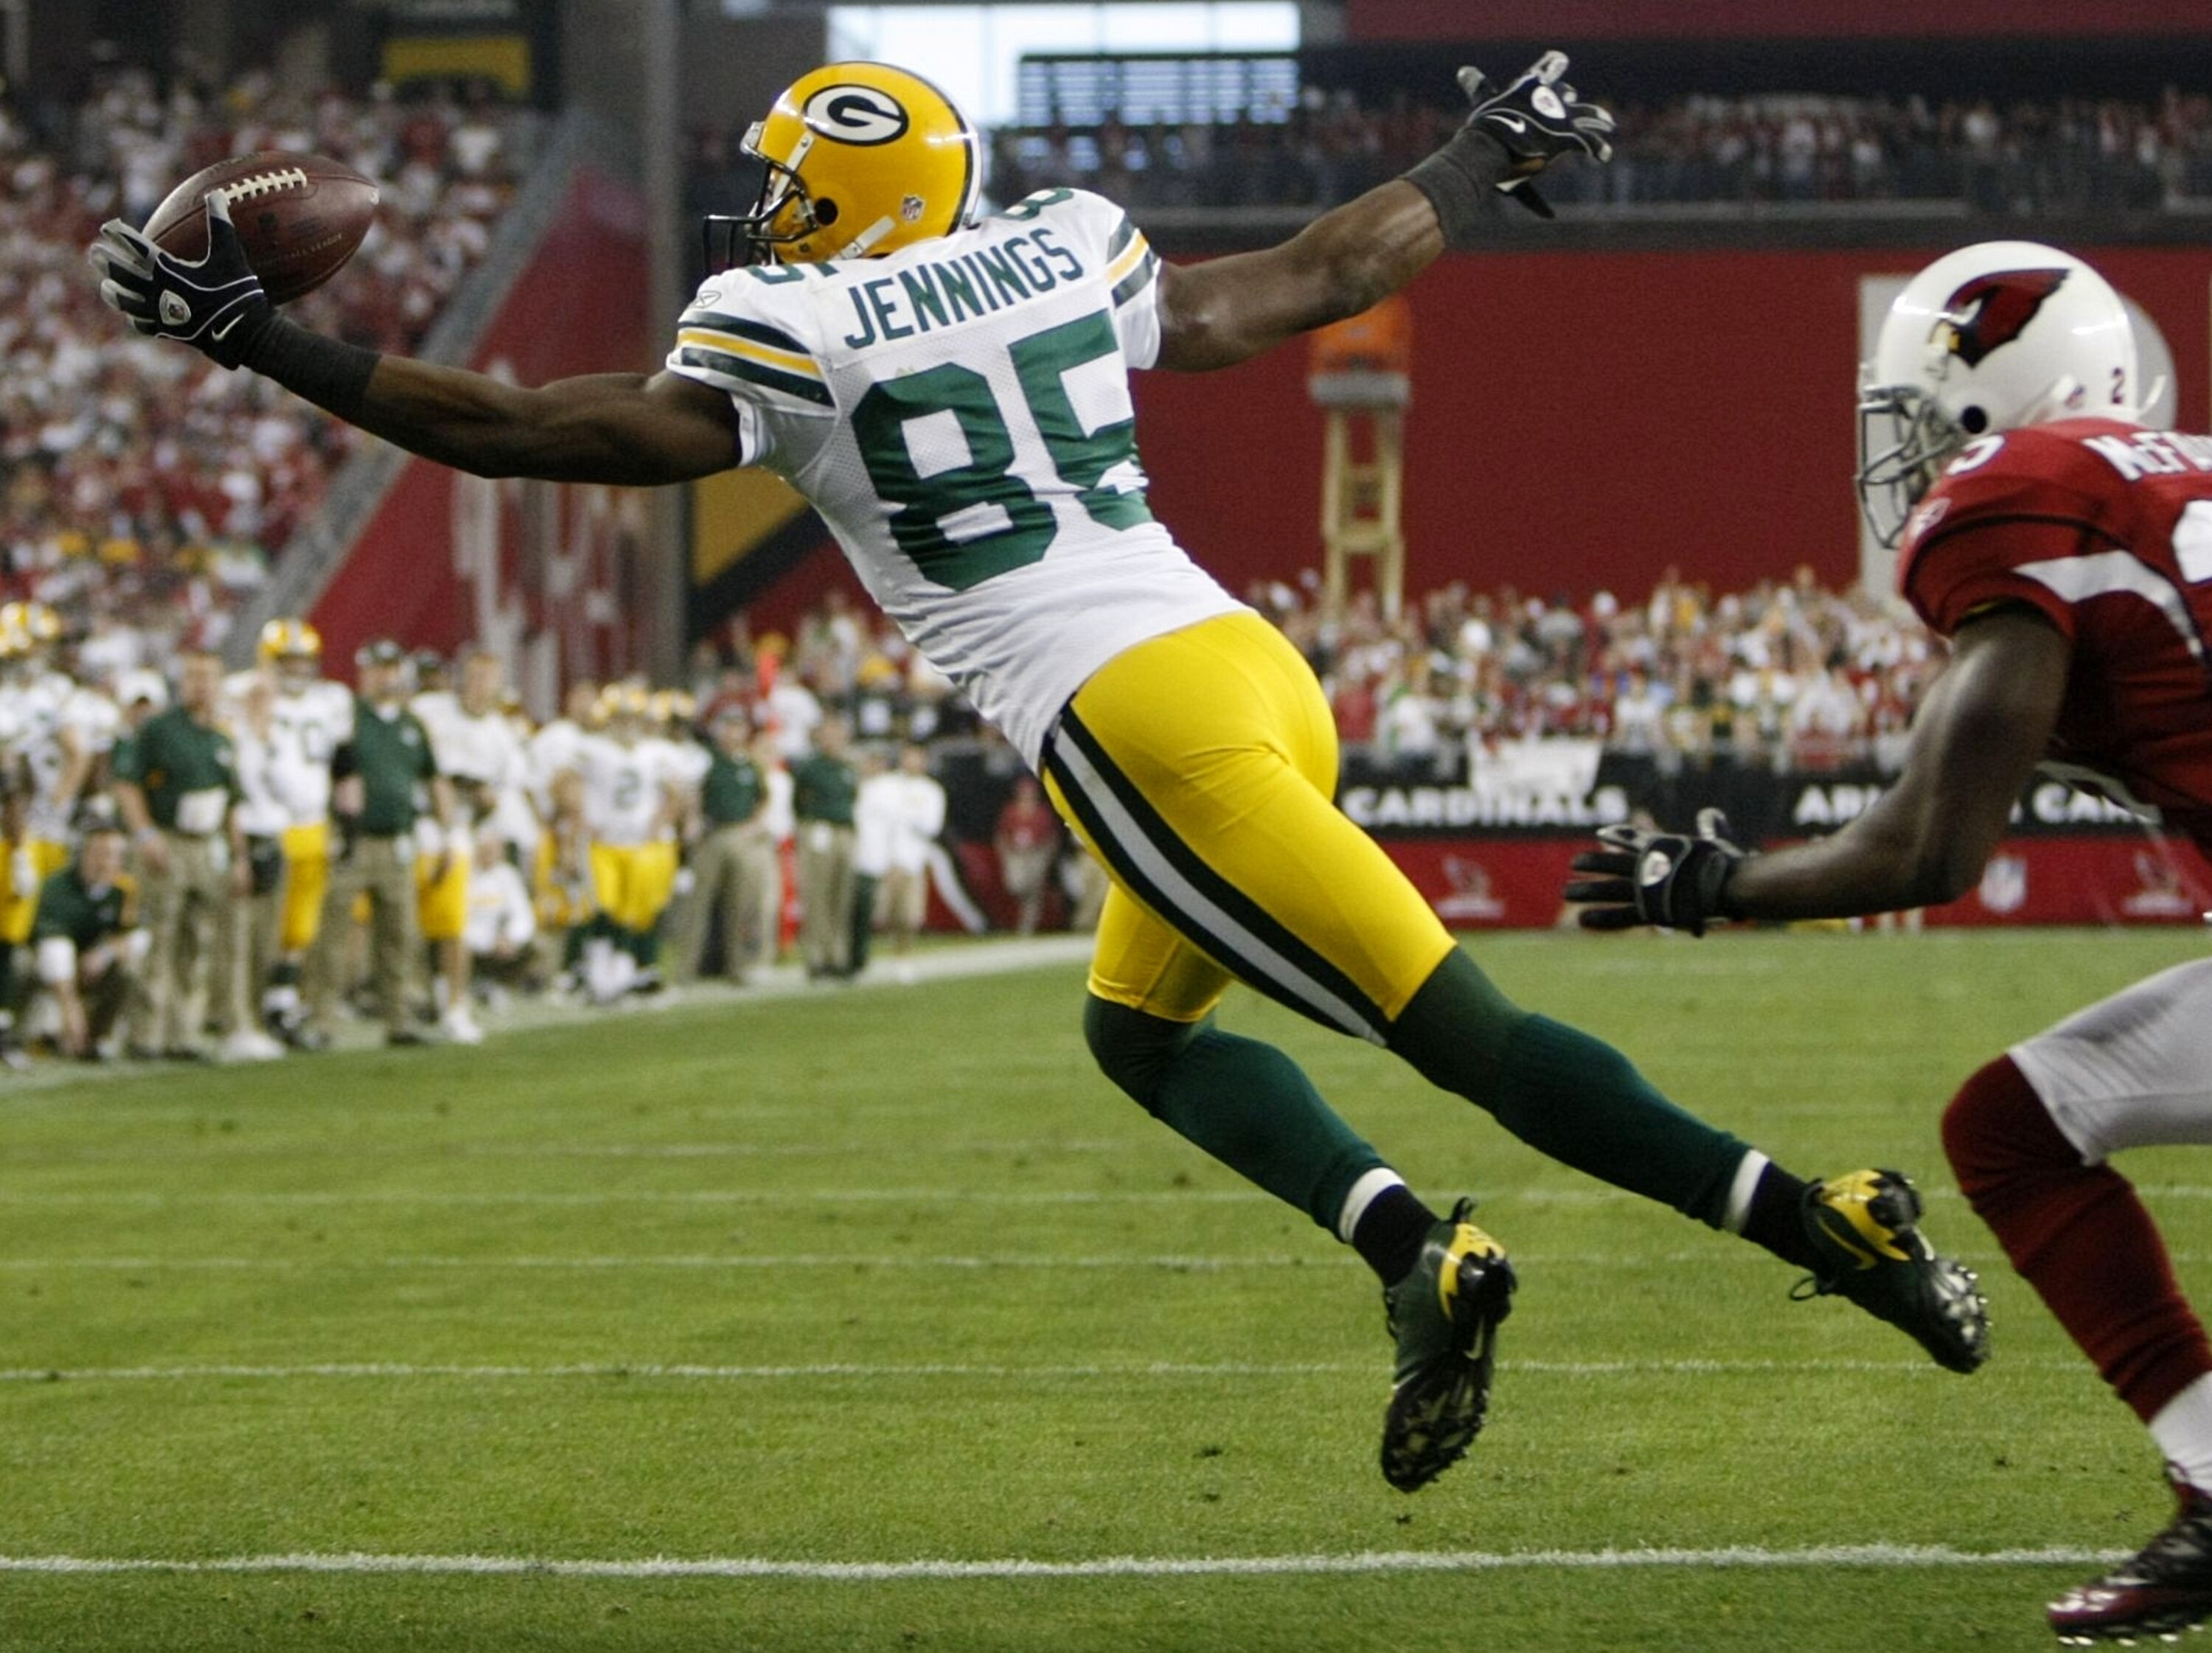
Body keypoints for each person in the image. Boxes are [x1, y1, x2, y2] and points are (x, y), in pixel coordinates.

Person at [88, 53, 1986, 1493]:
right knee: (1137, 1034)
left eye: (783, 185)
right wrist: (1484, 148)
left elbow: (518, 431)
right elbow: (1322, 272)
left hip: (1128, 723)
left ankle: (1816, 1213)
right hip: (1244, 668)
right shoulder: (1056, 247)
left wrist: (261, 338)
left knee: (1459, 1031)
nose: (758, 212)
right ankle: (1420, 1250)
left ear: (847, 198)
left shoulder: (796, 324)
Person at [1562, 240, 2212, 1642]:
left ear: (1996, 395)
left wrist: (1708, 885)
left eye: (1922, 416)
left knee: (2014, 1132)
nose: (1911, 456)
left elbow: (1927, 845)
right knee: (2016, 1119)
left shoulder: (2028, 499)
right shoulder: (2180, 476)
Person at [307, 639, 453, 1048]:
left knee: (400, 935)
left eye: (391, 668)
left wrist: (446, 837)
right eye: (377, 668)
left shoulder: (412, 723)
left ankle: (399, 1018)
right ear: (364, 672)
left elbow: (434, 778)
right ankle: (322, 1019)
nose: (385, 676)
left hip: (399, 841)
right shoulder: (346, 716)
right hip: (353, 840)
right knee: (333, 934)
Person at [111, 648, 248, 1061]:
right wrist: (146, 834)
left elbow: (231, 802)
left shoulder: (221, 738)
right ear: (181, 681)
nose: (201, 684)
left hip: (206, 843)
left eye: (208, 676)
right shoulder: (159, 730)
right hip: (168, 837)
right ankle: (146, 1034)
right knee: (159, 936)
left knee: (197, 938)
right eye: (193, 675)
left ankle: (183, 1032)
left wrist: (239, 855)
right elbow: (127, 783)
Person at [28, 806, 146, 1062]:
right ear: (84, 853)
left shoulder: (123, 889)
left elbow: (137, 937)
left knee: (129, 970)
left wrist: (104, 954)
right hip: (53, 971)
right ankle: (47, 1032)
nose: (107, 862)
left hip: (92, 966)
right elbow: (52, 947)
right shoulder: (57, 887)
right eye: (101, 853)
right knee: (31, 965)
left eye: (115, 855)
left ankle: (97, 1037)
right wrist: (71, 1009)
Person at [790, 713, 859, 980]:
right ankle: (817, 957)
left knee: (841, 896)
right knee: (817, 895)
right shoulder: (810, 767)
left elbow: (854, 798)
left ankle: (839, 955)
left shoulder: (848, 766)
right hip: (819, 830)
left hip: (844, 830)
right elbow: (798, 801)